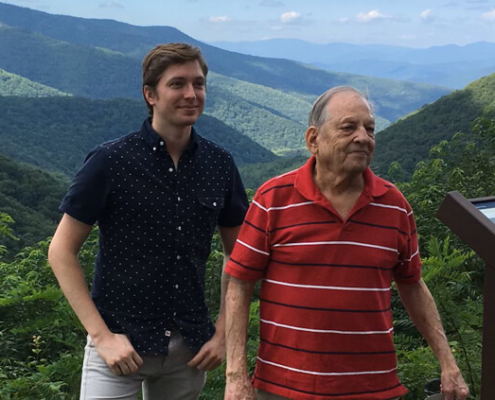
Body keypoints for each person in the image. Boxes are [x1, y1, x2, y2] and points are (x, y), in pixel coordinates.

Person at [223, 86, 469, 400]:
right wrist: (235, 376)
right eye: (348, 127)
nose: (363, 137)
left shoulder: (394, 206)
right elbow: (239, 284)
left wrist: (448, 362)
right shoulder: (274, 199)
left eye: (370, 129)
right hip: (284, 388)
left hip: (373, 390)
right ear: (313, 140)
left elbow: (413, 285)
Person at [48, 42, 248, 400]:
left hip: (190, 350)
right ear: (150, 94)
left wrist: (222, 334)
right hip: (118, 347)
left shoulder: (220, 165)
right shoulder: (110, 161)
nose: (191, 94)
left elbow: (241, 259)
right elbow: (61, 251)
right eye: (177, 84)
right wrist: (102, 337)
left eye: (198, 84)